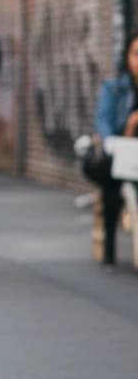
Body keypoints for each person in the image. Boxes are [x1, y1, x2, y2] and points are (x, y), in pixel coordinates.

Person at [83, 31, 138, 267]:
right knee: (112, 178)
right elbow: (104, 126)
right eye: (136, 54)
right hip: (119, 155)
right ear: (127, 57)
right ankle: (109, 247)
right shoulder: (114, 88)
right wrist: (131, 125)